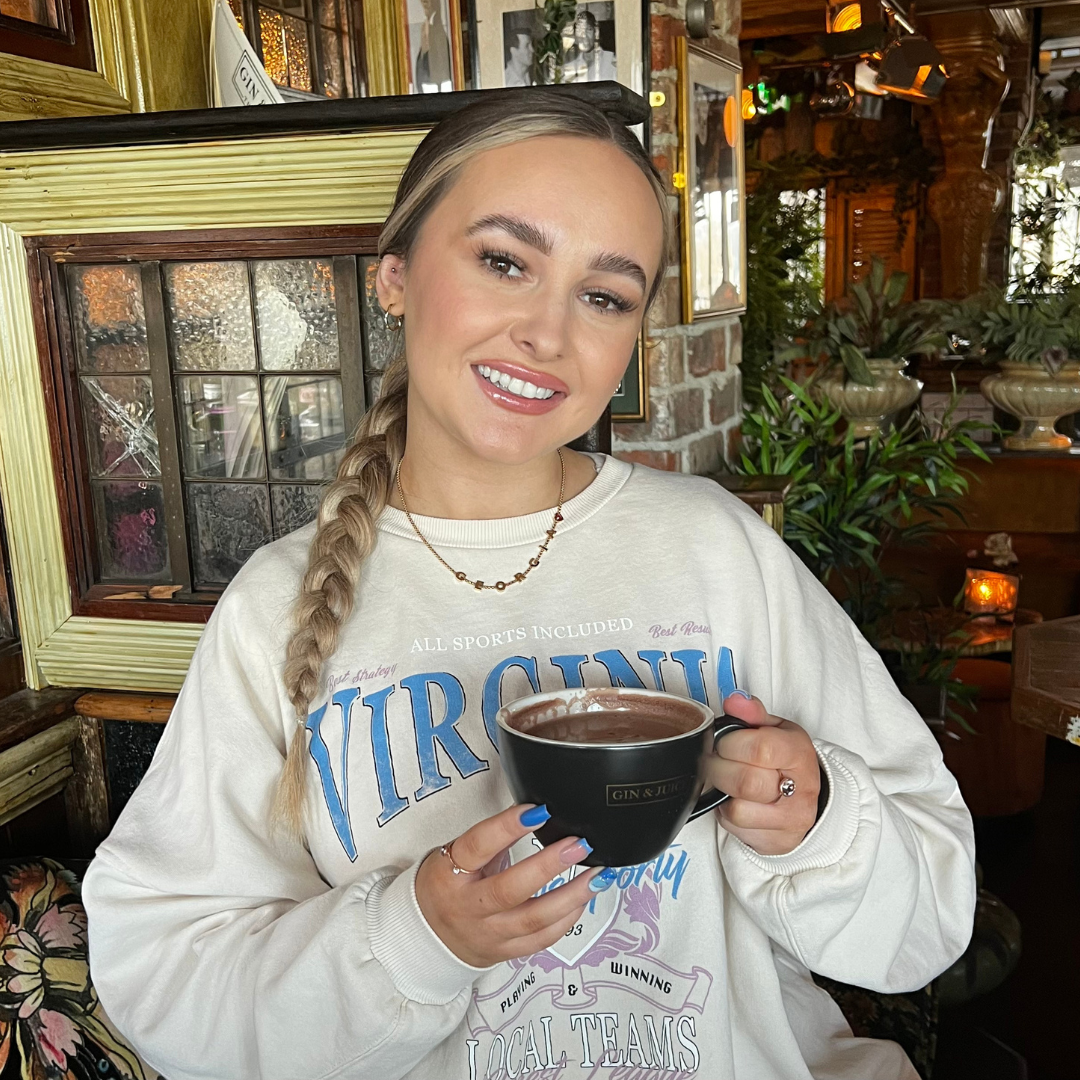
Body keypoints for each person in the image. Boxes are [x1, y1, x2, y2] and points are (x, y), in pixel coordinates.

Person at [82, 91, 976, 1080]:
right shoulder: (274, 606)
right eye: (504, 262)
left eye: (605, 295)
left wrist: (813, 825)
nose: (547, 334)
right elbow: (167, 981)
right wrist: (419, 937)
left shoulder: (720, 552)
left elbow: (923, 923)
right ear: (395, 275)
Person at [563, 10, 616, 83]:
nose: (584, 35)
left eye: (589, 29)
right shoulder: (570, 69)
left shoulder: (611, 60)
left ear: (595, 32)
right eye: (580, 30)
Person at [415, 0, 452, 92]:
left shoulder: (437, 29)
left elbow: (442, 71)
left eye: (427, 1)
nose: (423, 3)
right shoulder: (427, 25)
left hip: (435, 87)